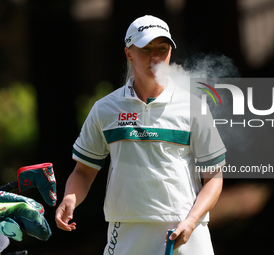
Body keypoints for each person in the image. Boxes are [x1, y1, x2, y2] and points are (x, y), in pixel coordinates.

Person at [55, 15, 226, 255]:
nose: (155, 56)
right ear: (129, 54)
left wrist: (192, 220)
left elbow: (214, 177)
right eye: (146, 49)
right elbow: (83, 171)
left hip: (187, 229)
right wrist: (69, 199)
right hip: (127, 229)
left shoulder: (194, 107)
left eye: (163, 49)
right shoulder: (105, 109)